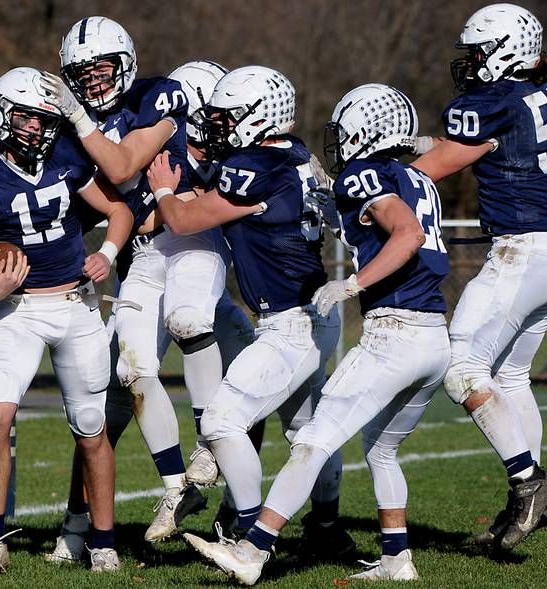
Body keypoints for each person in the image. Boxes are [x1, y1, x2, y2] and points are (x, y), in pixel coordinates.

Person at [176, 83, 450, 584]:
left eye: (347, 134)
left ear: (367, 134)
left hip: (392, 332)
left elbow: (406, 234)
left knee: (313, 441)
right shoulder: (412, 176)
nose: (339, 145)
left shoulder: (365, 173)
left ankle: (253, 548)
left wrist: (353, 283)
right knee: (380, 449)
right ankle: (396, 559)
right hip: (436, 333)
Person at [145, 65, 356, 572]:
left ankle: (250, 535)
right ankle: (327, 531)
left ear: (260, 117)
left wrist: (163, 190)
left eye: (227, 116)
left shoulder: (255, 164)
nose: (216, 124)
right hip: (311, 316)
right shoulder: (296, 153)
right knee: (309, 430)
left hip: (292, 323)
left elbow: (183, 220)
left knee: (220, 421)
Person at [0, 67, 132, 574]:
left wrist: (108, 253)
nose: (37, 128)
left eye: (45, 119)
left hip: (76, 306)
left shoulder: (66, 155)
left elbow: (121, 212)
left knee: (91, 428)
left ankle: (104, 541)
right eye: (27, 116)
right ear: (2, 113)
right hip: (18, 310)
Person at [40, 16, 218, 546]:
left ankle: (233, 498)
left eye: (102, 70)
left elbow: (122, 168)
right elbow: (91, 207)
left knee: (217, 357)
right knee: (104, 407)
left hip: (193, 255)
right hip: (139, 265)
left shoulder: (157, 98)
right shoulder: (71, 138)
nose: (93, 83)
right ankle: (80, 527)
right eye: (82, 75)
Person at [413, 3, 547, 551]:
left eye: (479, 54)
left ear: (507, 51)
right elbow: (458, 147)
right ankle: (528, 498)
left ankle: (527, 482)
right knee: (511, 376)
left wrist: (369, 170)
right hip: (542, 250)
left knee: (462, 367)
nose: (469, 66)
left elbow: (434, 166)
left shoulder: (491, 103)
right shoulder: (530, 97)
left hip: (522, 250)